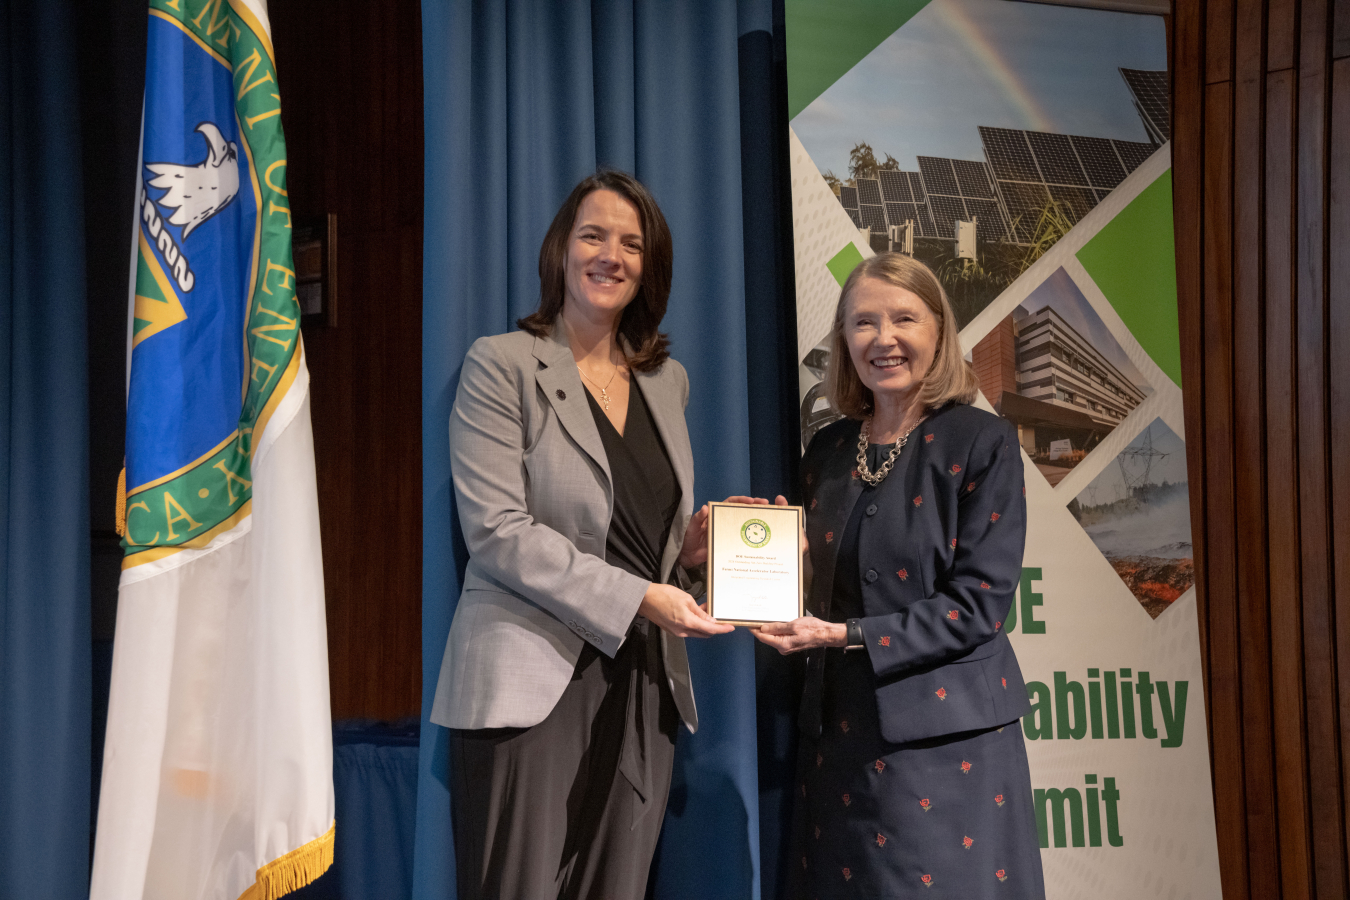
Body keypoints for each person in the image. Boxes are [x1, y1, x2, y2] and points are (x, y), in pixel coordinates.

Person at [429, 170, 751, 900]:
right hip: (531, 679)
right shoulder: (502, 363)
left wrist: (693, 560)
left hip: (641, 679)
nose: (612, 255)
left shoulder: (668, 382)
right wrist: (642, 595)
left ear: (650, 266)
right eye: (594, 235)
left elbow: (646, 539)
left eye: (632, 244)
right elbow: (497, 533)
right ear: (560, 251)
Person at [755, 253, 1046, 899]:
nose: (883, 339)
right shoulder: (827, 450)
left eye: (903, 319)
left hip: (947, 748)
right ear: (844, 341)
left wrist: (842, 636)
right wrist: (770, 561)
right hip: (837, 744)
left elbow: (978, 607)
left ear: (938, 331)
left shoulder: (982, 442)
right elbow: (820, 592)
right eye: (863, 323)